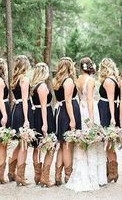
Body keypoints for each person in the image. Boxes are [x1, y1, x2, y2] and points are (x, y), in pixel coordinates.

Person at [66, 57, 107, 192]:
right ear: (90, 66)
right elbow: (90, 99)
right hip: (89, 110)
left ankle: (83, 171)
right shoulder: (90, 81)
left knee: (82, 142)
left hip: (80, 108)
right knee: (92, 141)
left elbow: (79, 98)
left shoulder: (77, 79)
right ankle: (93, 177)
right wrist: (91, 119)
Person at [53, 57, 81, 186]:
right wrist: (72, 120)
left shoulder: (57, 80)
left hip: (60, 112)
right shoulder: (68, 81)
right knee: (67, 145)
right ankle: (68, 175)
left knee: (62, 145)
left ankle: (57, 175)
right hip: (67, 113)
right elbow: (68, 101)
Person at [9, 55, 34, 186]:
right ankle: (20, 176)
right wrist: (26, 119)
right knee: (24, 144)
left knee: (20, 143)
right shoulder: (24, 79)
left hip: (15, 110)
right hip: (22, 111)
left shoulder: (15, 78)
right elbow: (25, 100)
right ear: (25, 65)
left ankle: (11, 170)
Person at [31, 62, 55, 187]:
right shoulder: (42, 87)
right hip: (43, 117)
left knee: (37, 147)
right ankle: (44, 177)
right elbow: (44, 107)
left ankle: (38, 175)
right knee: (50, 146)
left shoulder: (33, 86)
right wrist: (45, 124)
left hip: (36, 116)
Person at [98, 57, 120, 183]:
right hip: (105, 109)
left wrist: (112, 117)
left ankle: (113, 172)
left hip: (107, 111)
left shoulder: (109, 81)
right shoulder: (113, 79)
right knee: (107, 141)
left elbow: (111, 100)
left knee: (109, 142)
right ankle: (110, 170)